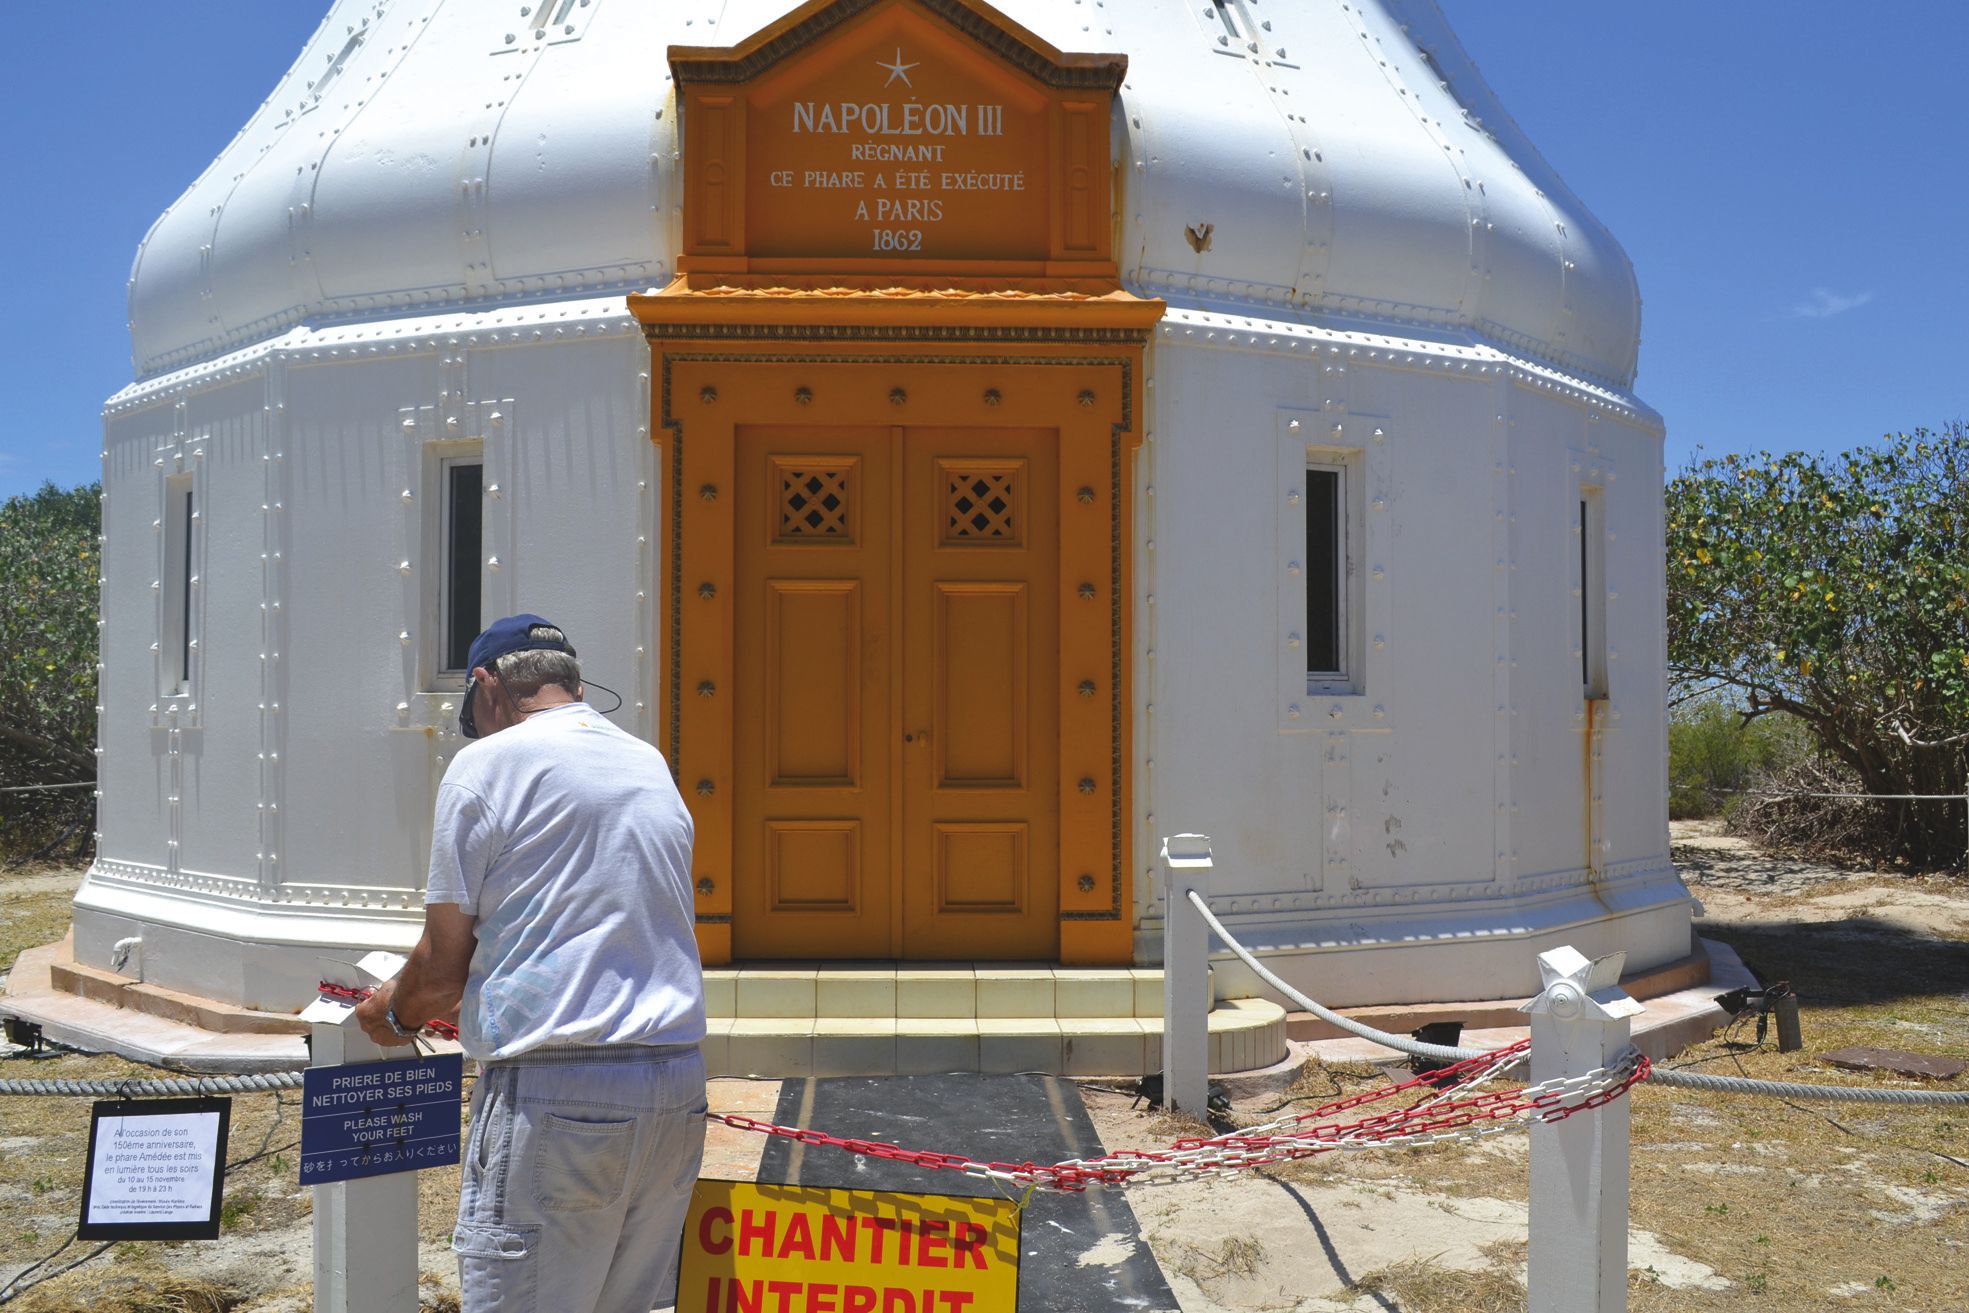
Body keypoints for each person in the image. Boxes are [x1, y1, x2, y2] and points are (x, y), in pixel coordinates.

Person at [355, 613, 707, 1313]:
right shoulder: (644, 760)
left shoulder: (489, 763)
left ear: (486, 685)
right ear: (571, 681)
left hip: (559, 1087)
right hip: (674, 1079)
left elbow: (439, 968)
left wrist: (390, 1012)